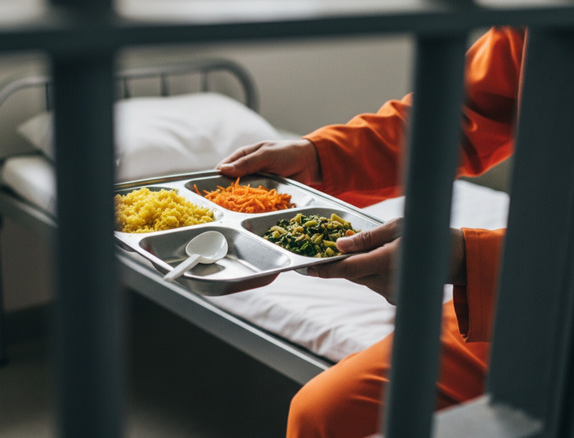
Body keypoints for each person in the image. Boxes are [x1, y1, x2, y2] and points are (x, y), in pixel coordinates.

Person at [216, 26, 524, 437]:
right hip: (517, 301)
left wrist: (470, 260)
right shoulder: (541, 28)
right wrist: (319, 158)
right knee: (320, 416)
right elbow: (456, 113)